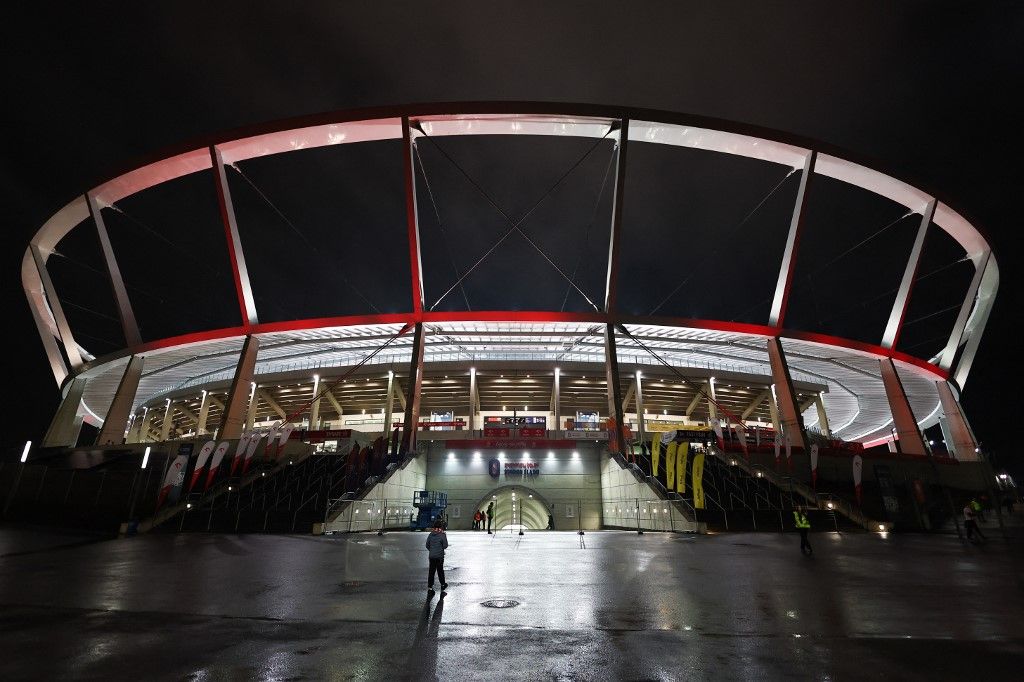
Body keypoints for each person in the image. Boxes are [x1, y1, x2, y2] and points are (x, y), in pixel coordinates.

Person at [425, 521, 449, 592]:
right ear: (441, 527)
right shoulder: (442, 535)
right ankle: (443, 585)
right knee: (440, 571)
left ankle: (430, 587)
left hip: (432, 556)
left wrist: (432, 550)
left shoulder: (430, 534)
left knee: (431, 572)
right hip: (439, 556)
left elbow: (427, 545)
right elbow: (445, 546)